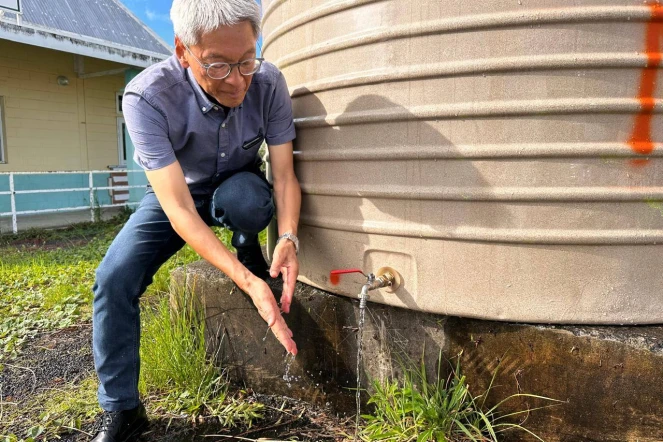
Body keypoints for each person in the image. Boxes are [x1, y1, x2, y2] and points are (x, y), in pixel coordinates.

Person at [90, 0, 301, 440]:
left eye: (246, 60)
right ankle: (123, 411)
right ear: (183, 51)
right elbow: (180, 209)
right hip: (178, 192)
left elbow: (282, 175)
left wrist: (288, 237)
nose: (238, 80)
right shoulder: (147, 96)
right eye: (218, 66)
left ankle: (247, 238)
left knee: (245, 199)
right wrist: (247, 282)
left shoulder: (269, 82)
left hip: (239, 181)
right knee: (113, 278)